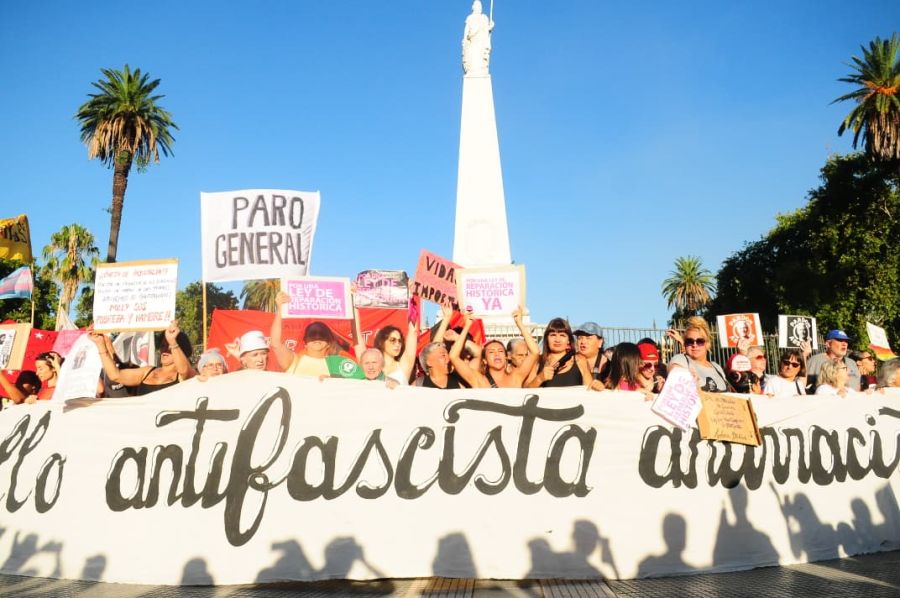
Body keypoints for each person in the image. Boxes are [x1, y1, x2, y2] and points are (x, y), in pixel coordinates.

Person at [271, 292, 364, 379]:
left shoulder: (339, 364)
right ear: (305, 342)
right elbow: (275, 343)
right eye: (312, 334)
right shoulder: (293, 361)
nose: (317, 336)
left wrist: (353, 304)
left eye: (322, 334)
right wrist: (280, 309)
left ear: (329, 342)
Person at [91, 321, 195, 396]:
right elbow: (115, 375)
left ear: (182, 350)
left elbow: (184, 370)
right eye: (163, 345)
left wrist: (172, 341)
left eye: (170, 347)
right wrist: (100, 343)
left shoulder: (187, 375)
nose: (165, 351)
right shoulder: (147, 371)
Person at [449, 307, 540, 388]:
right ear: (484, 360)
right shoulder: (479, 380)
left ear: (506, 357)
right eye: (491, 352)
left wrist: (519, 323)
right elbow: (453, 356)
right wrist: (467, 326)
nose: (497, 354)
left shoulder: (516, 377)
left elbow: (535, 352)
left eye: (500, 351)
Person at [667, 316, 729, 392]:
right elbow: (676, 385)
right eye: (690, 341)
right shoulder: (680, 360)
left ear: (707, 344)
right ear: (685, 344)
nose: (694, 345)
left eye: (700, 341)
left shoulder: (717, 367)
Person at [527, 318, 592, 388]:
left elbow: (590, 391)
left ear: (568, 340)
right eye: (553, 335)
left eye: (562, 335)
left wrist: (597, 387)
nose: (557, 340)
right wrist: (539, 378)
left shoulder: (580, 361)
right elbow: (524, 392)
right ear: (547, 339)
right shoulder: (538, 361)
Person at [573, 322, 606, 391]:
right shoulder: (569, 361)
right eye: (579, 338)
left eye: (588, 338)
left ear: (600, 342)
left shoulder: (609, 366)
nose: (583, 342)